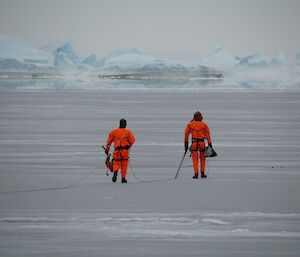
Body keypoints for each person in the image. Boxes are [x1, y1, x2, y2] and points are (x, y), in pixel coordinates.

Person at [105, 119, 135, 183]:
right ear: (125, 124)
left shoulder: (114, 132)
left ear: (119, 124)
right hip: (125, 151)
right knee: (124, 164)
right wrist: (128, 146)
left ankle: (115, 171)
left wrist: (107, 149)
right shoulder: (128, 132)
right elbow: (133, 140)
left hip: (117, 151)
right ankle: (123, 178)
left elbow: (109, 142)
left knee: (116, 162)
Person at [184, 111, 212, 179]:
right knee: (203, 158)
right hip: (202, 143)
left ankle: (196, 174)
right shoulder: (204, 125)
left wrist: (186, 144)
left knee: (195, 159)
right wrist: (209, 143)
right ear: (201, 117)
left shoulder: (190, 124)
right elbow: (208, 134)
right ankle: (202, 173)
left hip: (194, 143)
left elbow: (186, 134)